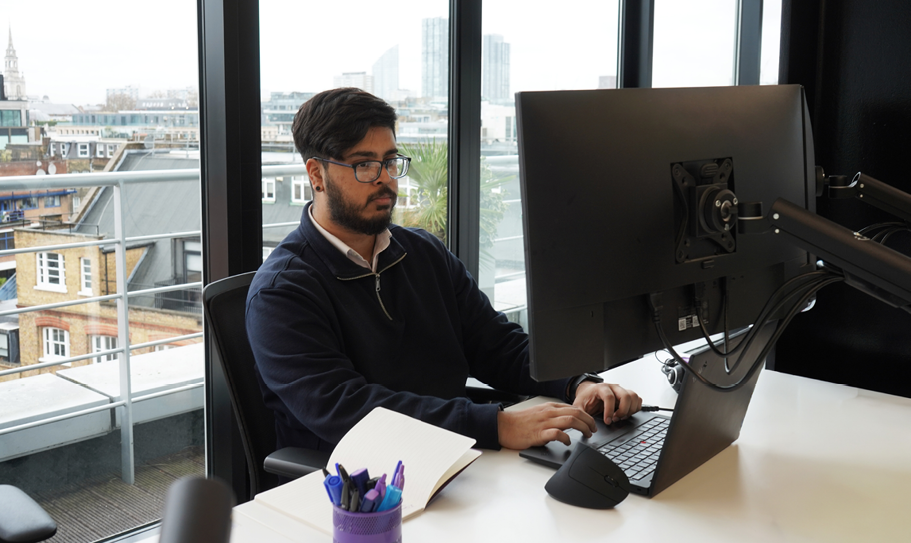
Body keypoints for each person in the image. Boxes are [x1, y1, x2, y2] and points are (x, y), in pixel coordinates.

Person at [246, 87, 641, 454]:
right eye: (364, 164)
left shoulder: (421, 252)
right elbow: (347, 409)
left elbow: (496, 344)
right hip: (358, 488)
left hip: (454, 458)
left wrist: (577, 382)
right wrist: (496, 426)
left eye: (389, 161)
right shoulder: (281, 292)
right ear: (316, 174)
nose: (385, 179)